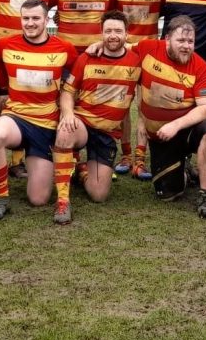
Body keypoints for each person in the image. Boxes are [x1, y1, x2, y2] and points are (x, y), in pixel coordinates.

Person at [0, 0, 78, 219]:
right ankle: (1, 199)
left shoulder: (64, 48)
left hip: (46, 125)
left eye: (36, 18)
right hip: (16, 117)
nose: (30, 23)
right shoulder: (6, 45)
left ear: (46, 20)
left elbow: (78, 75)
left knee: (38, 199)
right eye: (26, 18)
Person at [51, 11, 141, 224]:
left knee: (99, 195)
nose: (113, 35)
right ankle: (63, 200)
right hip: (83, 123)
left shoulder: (137, 61)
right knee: (65, 129)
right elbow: (67, 92)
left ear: (127, 35)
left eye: (118, 31)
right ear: (101, 33)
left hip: (107, 133)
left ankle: (81, 171)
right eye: (108, 31)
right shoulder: (87, 58)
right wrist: (68, 113)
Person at [136, 15, 206, 217]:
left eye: (190, 42)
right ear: (167, 39)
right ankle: (185, 171)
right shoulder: (147, 48)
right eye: (180, 40)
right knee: (168, 194)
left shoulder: (200, 67)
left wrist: (176, 124)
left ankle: (205, 195)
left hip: (186, 129)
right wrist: (98, 45)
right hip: (161, 137)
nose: (186, 46)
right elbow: (119, 49)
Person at [110, 0, 163, 178]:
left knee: (145, 108)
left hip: (149, 54)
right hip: (124, 54)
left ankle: (140, 160)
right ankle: (125, 155)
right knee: (121, 107)